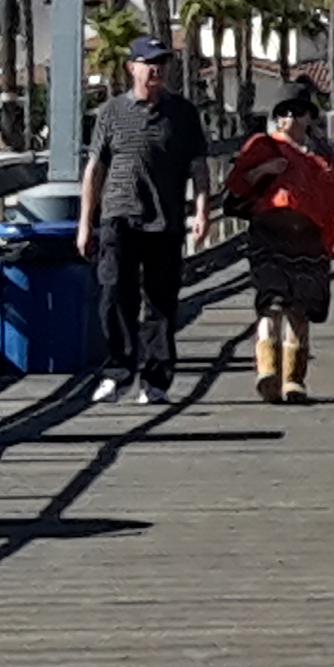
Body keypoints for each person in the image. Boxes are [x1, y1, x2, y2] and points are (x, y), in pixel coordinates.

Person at [78, 37, 212, 405]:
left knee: (161, 303)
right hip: (118, 217)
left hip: (165, 220)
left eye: (162, 63)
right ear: (132, 67)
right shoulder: (111, 112)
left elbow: (199, 166)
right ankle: (117, 373)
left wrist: (202, 209)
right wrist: (85, 223)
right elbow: (95, 169)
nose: (156, 69)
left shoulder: (183, 113)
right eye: (149, 62)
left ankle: (155, 381)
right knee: (114, 297)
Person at [220, 83, 334, 402]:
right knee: (271, 303)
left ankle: (293, 379)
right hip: (269, 231)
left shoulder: (323, 160)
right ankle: (267, 370)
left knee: (299, 311)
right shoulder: (262, 146)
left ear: (309, 117)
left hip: (308, 239)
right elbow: (237, 184)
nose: (290, 118)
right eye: (283, 112)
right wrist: (264, 169)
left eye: (297, 112)